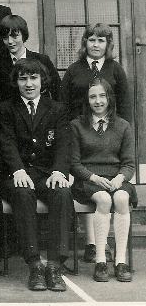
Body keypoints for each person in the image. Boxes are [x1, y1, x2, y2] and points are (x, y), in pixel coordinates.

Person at [0, 58, 73, 292]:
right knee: (22, 192)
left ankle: (54, 264)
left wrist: (59, 171)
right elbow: (6, 143)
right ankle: (34, 264)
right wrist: (18, 169)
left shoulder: (56, 108)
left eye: (33, 78)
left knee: (62, 191)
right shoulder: (6, 109)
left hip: (46, 173)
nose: (29, 84)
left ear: (42, 80)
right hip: (17, 173)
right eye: (23, 78)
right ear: (16, 82)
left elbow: (63, 144)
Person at [60, 23, 131, 263]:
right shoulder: (74, 70)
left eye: (101, 41)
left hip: (108, 136)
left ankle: (104, 244)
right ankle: (91, 244)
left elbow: (125, 108)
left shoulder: (116, 70)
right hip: (80, 136)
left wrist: (120, 135)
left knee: (113, 195)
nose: (96, 45)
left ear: (108, 45)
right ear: (85, 43)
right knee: (91, 188)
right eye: (91, 40)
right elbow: (64, 105)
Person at [70, 78, 136, 282]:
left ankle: (121, 261)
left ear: (109, 98)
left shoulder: (123, 126)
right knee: (105, 200)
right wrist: (94, 178)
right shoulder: (76, 125)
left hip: (116, 178)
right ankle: (100, 260)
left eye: (102, 96)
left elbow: (129, 164)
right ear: (87, 100)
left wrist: (119, 179)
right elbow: (74, 163)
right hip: (88, 180)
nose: (97, 101)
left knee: (122, 199)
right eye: (92, 97)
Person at [0, 15, 60, 102]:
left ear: (24, 35)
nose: (10, 41)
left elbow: (57, 90)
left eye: (15, 36)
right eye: (5, 38)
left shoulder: (42, 60)